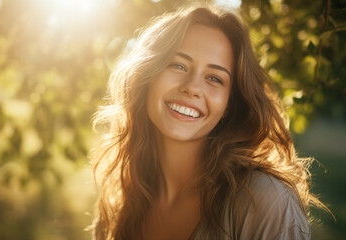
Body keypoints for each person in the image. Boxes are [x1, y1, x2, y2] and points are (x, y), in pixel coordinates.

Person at [91, 3, 327, 240]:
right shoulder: (120, 200)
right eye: (178, 65)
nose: (192, 87)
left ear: (229, 105)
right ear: (147, 76)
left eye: (214, 78)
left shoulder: (265, 201)